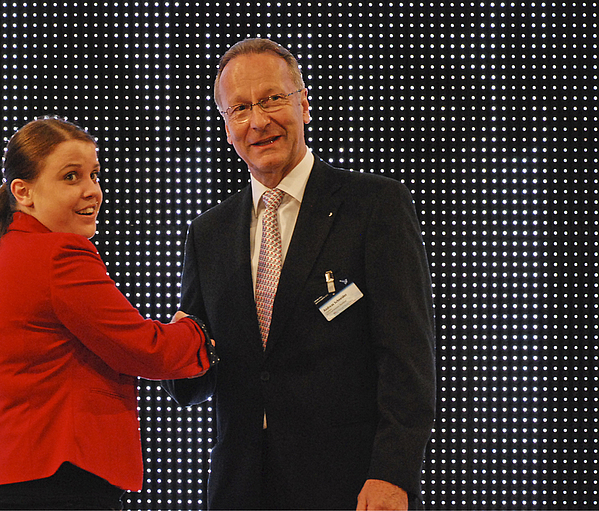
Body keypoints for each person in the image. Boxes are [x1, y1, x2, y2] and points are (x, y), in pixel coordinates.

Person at [162, 38, 436, 510]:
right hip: (239, 490)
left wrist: (393, 474)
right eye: (240, 108)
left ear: (304, 104)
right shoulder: (207, 233)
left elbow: (407, 359)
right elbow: (195, 378)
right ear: (227, 128)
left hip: (350, 488)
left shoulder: (375, 206)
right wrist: (161, 348)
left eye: (272, 99)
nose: (258, 121)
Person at [0, 116, 217, 510]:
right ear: (23, 192)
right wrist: (201, 331)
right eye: (70, 177)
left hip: (18, 484)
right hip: (63, 485)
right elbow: (146, 349)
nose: (91, 191)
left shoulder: (0, 260)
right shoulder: (59, 255)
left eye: (94, 175)